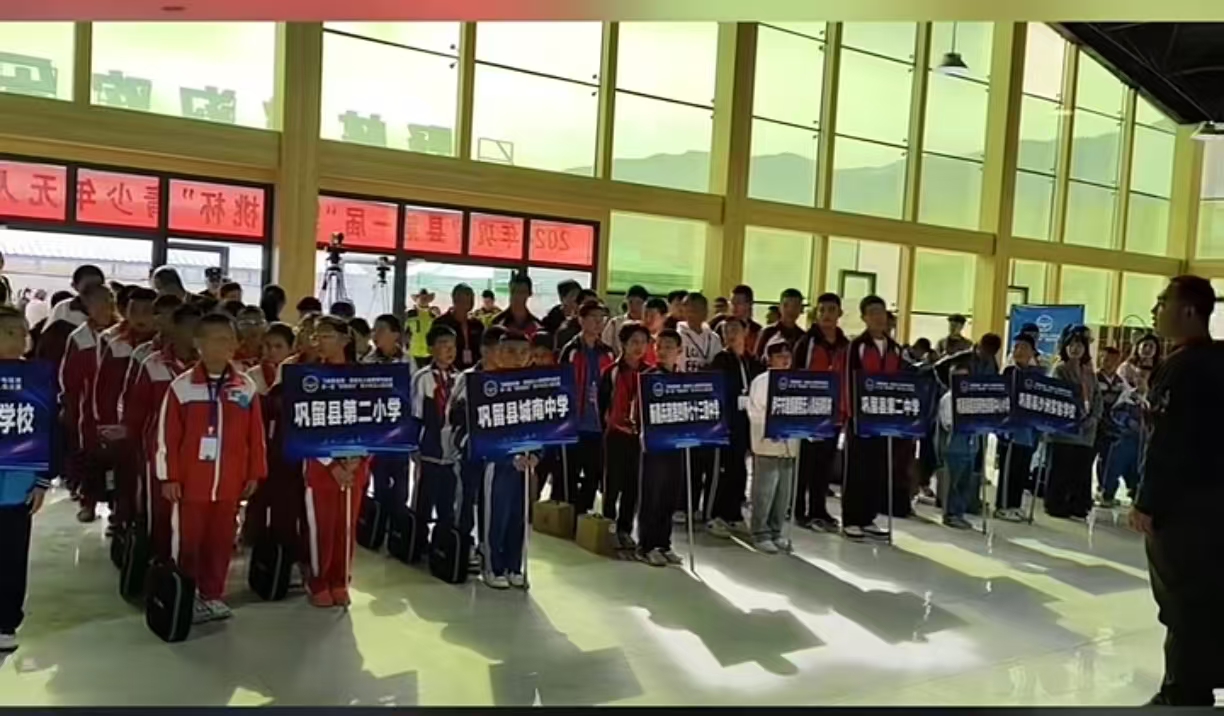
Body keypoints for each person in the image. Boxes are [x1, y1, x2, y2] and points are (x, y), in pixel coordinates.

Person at [1131, 276, 1224, 706]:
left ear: (1188, 310)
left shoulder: (1182, 367)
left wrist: (1146, 501)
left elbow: (1167, 441)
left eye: (1162, 301)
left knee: (1182, 598)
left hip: (1186, 509)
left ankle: (1183, 691)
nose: (1156, 310)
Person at [156, 312, 265, 623]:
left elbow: (255, 435)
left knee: (221, 541)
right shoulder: (182, 388)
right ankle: (185, 595)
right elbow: (167, 436)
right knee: (187, 542)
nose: (227, 345)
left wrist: (254, 472)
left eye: (230, 339)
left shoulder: (245, 386)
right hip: (191, 484)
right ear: (199, 344)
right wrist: (169, 477)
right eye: (218, 339)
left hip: (230, 483)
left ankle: (212, 594)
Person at [299, 316, 369, 608]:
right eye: (316, 336)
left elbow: (376, 421)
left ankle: (341, 580)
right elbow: (303, 425)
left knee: (346, 527)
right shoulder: (308, 377)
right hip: (320, 468)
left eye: (326, 335)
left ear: (344, 340)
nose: (318, 341)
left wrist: (359, 457)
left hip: (356, 466)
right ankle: (318, 580)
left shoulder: (363, 377)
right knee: (322, 528)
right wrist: (331, 464)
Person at [122, 304, 201, 561]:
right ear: (174, 330)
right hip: (159, 453)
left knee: (194, 512)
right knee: (159, 511)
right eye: (189, 328)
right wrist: (137, 445)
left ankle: (188, 567)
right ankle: (159, 564)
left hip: (199, 455)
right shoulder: (153, 364)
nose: (195, 335)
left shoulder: (209, 367)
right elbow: (136, 411)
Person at [0, 307, 50, 653]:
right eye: (10, 332)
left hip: (18, 489)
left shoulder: (36, 379)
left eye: (23, 332)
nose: (20, 339)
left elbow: (49, 430)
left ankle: (5, 623)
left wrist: (43, 479)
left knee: (12, 558)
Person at [94, 286, 157, 529]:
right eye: (134, 311)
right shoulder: (113, 341)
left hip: (149, 422)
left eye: (147, 311)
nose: (140, 317)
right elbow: (103, 386)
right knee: (123, 472)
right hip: (119, 422)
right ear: (124, 312)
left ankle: (145, 523)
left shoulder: (161, 346)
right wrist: (105, 421)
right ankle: (120, 518)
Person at [842, 295, 904, 540]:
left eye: (881, 312)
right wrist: (852, 414)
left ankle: (868, 518)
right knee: (856, 469)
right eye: (872, 313)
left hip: (884, 419)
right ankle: (851, 520)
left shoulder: (895, 348)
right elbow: (848, 379)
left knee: (877, 469)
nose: (878, 317)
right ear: (864, 318)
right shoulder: (856, 346)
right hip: (860, 419)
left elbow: (899, 384)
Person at [479, 331, 535, 589]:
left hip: (525, 465)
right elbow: (479, 430)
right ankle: (493, 566)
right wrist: (507, 456)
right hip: (497, 464)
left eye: (523, 353)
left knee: (519, 517)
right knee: (496, 516)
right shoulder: (485, 385)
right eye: (511, 352)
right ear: (498, 354)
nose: (518, 358)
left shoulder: (533, 386)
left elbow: (543, 425)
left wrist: (536, 454)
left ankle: (514, 565)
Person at [791, 292, 850, 533]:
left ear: (839, 314)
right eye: (822, 310)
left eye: (832, 310)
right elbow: (795, 374)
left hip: (833, 414)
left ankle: (818, 508)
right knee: (805, 463)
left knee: (824, 464)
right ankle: (798, 509)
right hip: (809, 413)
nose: (827, 315)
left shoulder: (846, 345)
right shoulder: (806, 342)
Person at [60, 283, 117, 522]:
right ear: (87, 307)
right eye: (97, 303)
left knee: (118, 461)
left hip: (117, 410)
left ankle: (117, 511)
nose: (104, 308)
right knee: (89, 459)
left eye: (108, 302)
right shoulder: (79, 337)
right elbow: (68, 379)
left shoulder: (122, 335)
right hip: (88, 412)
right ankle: (88, 503)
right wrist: (69, 408)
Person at [707, 317, 763, 538]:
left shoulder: (753, 362)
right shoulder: (720, 360)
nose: (730, 334)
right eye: (726, 330)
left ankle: (733, 514)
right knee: (723, 470)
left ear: (745, 332)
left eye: (735, 329)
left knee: (740, 469)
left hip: (747, 423)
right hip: (726, 423)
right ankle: (715, 515)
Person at [557, 300, 614, 514]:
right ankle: (569, 511)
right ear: (581, 320)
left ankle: (583, 511)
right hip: (575, 422)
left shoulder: (607, 352)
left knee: (594, 471)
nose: (598, 322)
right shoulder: (571, 350)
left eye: (602, 318)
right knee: (571, 470)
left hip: (598, 422)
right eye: (593, 317)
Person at [598, 321, 651, 551]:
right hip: (615, 436)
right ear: (623, 344)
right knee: (612, 485)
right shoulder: (611, 372)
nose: (639, 347)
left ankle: (625, 530)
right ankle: (608, 527)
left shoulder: (649, 373)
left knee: (633, 486)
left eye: (643, 342)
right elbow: (602, 405)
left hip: (639, 438)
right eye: (634, 342)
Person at [636, 329, 686, 567]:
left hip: (676, 445)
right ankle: (646, 546)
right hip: (654, 446)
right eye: (659, 346)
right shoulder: (648, 377)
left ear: (679, 351)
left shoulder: (683, 380)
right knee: (652, 495)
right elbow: (637, 412)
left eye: (669, 347)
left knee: (669, 495)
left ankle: (663, 543)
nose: (663, 351)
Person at [746, 337, 801, 553]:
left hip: (789, 444)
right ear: (769, 359)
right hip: (768, 441)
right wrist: (775, 426)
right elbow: (756, 412)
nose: (785, 360)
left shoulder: (796, 381)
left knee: (783, 492)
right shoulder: (761, 381)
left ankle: (776, 530)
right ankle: (760, 532)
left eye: (788, 356)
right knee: (765, 490)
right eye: (779, 356)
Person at [1043, 327, 1101, 519]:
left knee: (1081, 469)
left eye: (1080, 345)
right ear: (1065, 347)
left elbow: (1097, 397)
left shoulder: (1089, 372)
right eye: (1072, 345)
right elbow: (1059, 395)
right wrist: (1076, 416)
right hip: (1064, 429)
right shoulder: (1059, 369)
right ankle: (1056, 504)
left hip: (1086, 431)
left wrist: (1093, 417)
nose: (1075, 349)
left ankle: (1078, 505)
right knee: (1061, 469)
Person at [676, 293, 722, 523]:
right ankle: (680, 505)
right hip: (682, 400)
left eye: (696, 308)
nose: (691, 313)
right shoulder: (677, 335)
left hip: (706, 403)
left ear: (705, 311)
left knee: (701, 459)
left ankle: (696, 506)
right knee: (683, 458)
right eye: (687, 308)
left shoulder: (714, 338)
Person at [409, 324, 458, 526]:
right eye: (443, 344)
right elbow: (415, 415)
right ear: (431, 349)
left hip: (452, 452)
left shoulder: (460, 378)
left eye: (453, 345)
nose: (450, 350)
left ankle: (444, 540)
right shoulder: (422, 378)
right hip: (429, 450)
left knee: (448, 502)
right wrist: (414, 446)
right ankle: (418, 538)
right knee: (423, 501)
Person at [993, 334, 1039, 521]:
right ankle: (1003, 505)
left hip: (1028, 430)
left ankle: (1015, 504)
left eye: (1024, 347)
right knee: (1009, 468)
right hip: (1010, 429)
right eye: (1016, 347)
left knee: (1022, 468)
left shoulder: (1036, 375)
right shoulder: (1009, 372)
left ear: (1032, 352)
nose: (1019, 351)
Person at [936, 357, 979, 530]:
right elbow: (947, 422)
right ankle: (950, 514)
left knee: (965, 482)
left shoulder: (973, 397)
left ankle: (959, 513)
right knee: (953, 482)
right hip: (955, 445)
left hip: (971, 445)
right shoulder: (948, 398)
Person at [34, 264, 105, 366]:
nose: (93, 292)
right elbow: (48, 344)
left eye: (98, 286)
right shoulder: (63, 308)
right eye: (87, 288)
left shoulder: (110, 309)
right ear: (74, 286)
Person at [1092, 345, 1125, 505]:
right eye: (1105, 359)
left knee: (1108, 460)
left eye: (1113, 360)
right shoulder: (1094, 378)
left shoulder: (1120, 382)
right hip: (1095, 425)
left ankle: (1105, 491)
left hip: (1112, 427)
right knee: (1089, 458)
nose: (1109, 363)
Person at [434, 283, 484, 371]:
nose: (469, 301)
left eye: (471, 297)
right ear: (455, 299)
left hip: (474, 371)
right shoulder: (441, 323)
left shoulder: (477, 324)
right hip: (449, 370)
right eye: (465, 297)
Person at [711, 285, 763, 357]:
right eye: (732, 302)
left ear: (749, 304)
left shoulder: (757, 330)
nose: (734, 306)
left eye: (738, 303)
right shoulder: (722, 326)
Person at [756, 288, 805, 359]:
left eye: (795, 306)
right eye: (786, 305)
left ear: (801, 309)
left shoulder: (802, 337)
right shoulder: (767, 332)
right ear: (779, 307)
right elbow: (757, 359)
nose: (790, 310)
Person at [491, 272, 542, 339]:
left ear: (529, 293)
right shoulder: (497, 322)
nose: (516, 296)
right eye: (513, 291)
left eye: (521, 292)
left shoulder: (536, 325)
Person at [248, 322, 294, 395]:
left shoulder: (295, 373)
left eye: (278, 346)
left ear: (291, 349)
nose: (272, 350)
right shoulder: (251, 374)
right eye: (267, 345)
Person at [602, 284, 649, 355]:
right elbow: (605, 345)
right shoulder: (615, 323)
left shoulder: (648, 324)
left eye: (638, 303)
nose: (634, 306)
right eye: (630, 302)